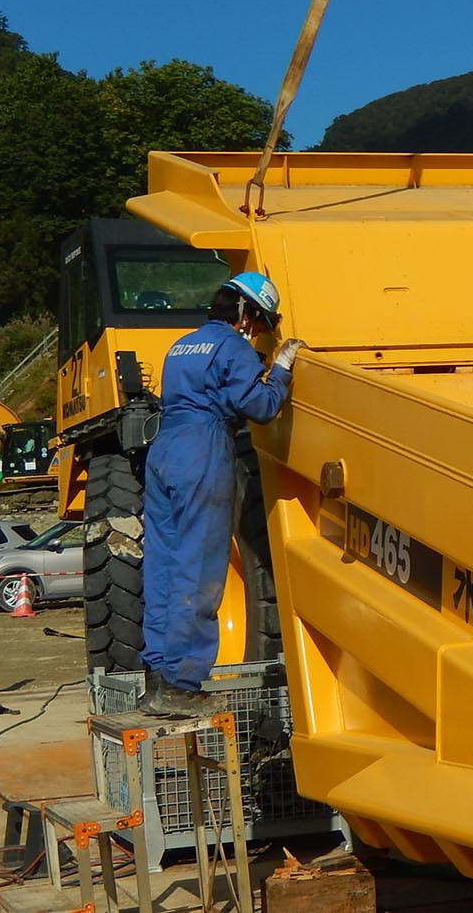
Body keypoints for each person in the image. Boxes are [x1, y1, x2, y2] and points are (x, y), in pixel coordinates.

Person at [137, 272, 305, 717]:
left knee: (164, 565)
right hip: (201, 451)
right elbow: (262, 408)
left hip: (164, 451)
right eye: (261, 321)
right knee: (201, 565)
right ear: (246, 313)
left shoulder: (181, 345)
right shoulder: (231, 346)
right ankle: (182, 683)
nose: (259, 331)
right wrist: (282, 369)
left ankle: (157, 677)